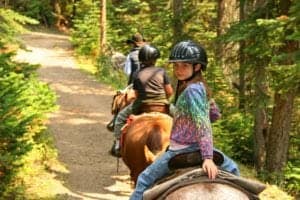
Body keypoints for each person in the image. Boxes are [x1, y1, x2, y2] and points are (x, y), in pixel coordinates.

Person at [129, 40, 240, 200]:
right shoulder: (198, 86)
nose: (178, 70)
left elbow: (203, 125)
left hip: (181, 149)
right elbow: (215, 116)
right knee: (234, 170)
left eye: (184, 66)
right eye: (176, 66)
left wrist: (208, 158)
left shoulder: (191, 90)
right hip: (197, 147)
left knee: (144, 179)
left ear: (197, 67)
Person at [110, 44, 173, 157]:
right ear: (155, 59)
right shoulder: (162, 72)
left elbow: (136, 94)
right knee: (182, 119)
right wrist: (164, 99)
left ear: (141, 58)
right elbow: (169, 92)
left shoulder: (137, 73)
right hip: (162, 105)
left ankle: (118, 144)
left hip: (143, 105)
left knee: (120, 118)